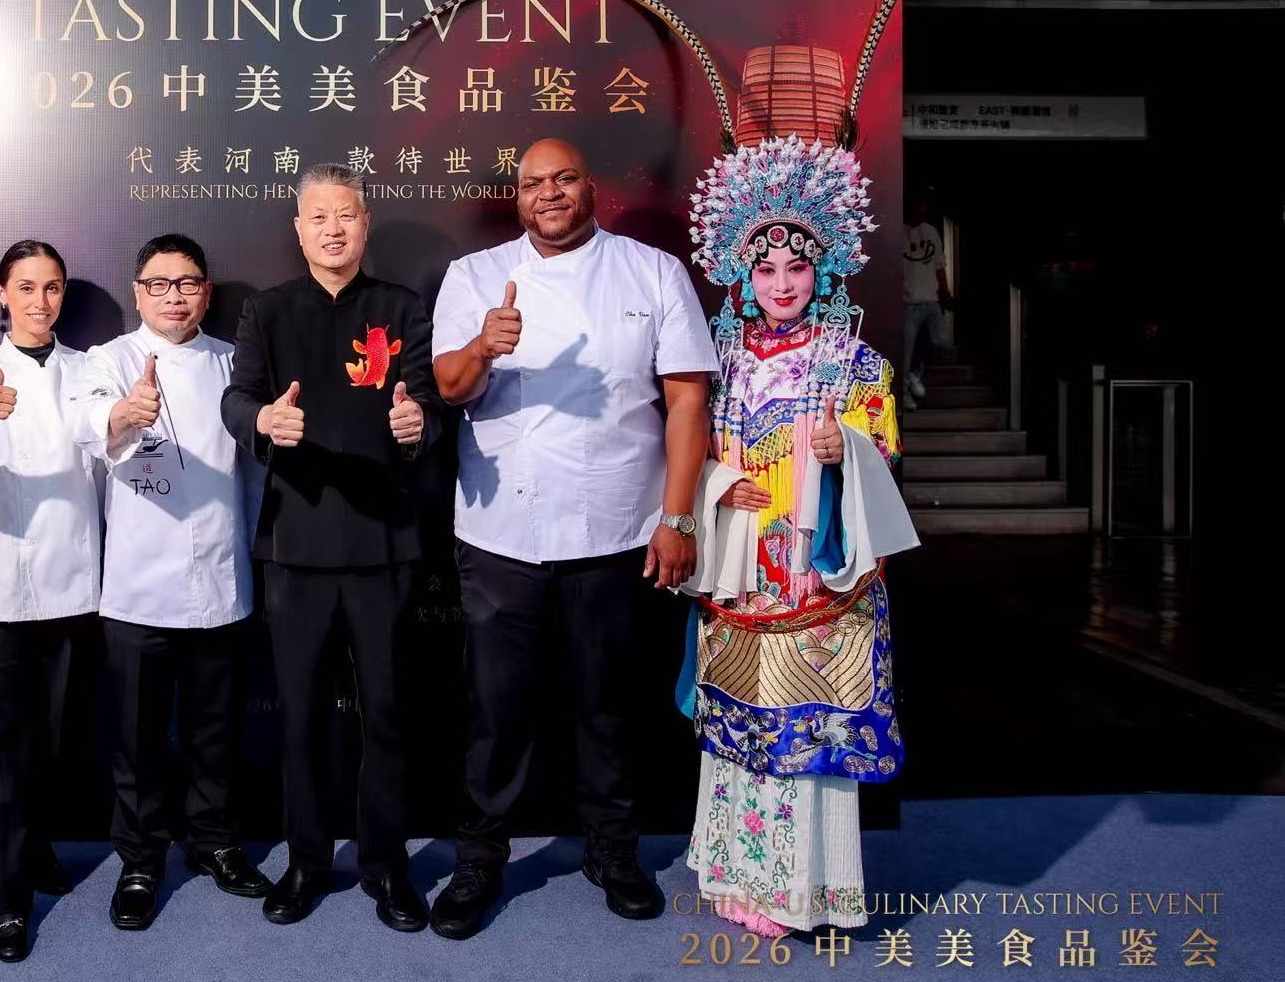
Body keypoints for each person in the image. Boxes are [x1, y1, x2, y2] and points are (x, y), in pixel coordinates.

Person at [426, 138, 716, 940]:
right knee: (495, 710)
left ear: (591, 186)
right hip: (500, 534)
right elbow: (448, 386)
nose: (548, 193)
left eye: (563, 179)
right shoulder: (476, 275)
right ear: (516, 196)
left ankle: (612, 849)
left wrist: (678, 516)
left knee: (608, 703)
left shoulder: (652, 272)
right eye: (532, 183)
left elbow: (687, 400)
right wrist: (483, 346)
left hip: (618, 528)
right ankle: (479, 857)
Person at [679, 136, 920, 937]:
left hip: (817, 576)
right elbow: (684, 448)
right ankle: (734, 871)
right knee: (740, 722)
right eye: (766, 271)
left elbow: (883, 452)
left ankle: (802, 887)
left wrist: (845, 448)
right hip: (742, 570)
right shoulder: (717, 360)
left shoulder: (855, 362)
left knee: (806, 733)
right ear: (743, 277)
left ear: (825, 271)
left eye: (796, 268)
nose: (781, 285)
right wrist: (720, 481)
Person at [221, 162, 439, 932]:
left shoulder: (401, 307)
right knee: (301, 717)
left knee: (387, 714)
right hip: (296, 544)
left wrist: (416, 423)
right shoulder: (269, 310)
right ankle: (307, 862)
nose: (333, 228)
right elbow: (236, 397)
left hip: (383, 543)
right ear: (300, 228)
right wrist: (260, 421)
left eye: (346, 214)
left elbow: (428, 401)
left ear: (365, 223)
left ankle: (387, 865)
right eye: (319, 216)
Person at [68, 233, 270, 930]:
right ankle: (140, 859)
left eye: (187, 283)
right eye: (159, 284)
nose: (174, 296)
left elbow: (256, 469)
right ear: (138, 292)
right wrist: (122, 415)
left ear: (206, 293)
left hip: (220, 578)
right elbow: (88, 422)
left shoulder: (234, 362)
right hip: (137, 586)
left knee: (217, 731)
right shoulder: (110, 359)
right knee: (138, 738)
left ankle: (216, 843)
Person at [0, 239, 104, 964]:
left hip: (74, 579)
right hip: (0, 588)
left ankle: (33, 850)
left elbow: (112, 452)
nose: (40, 301)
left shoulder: (91, 370)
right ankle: (2, 902)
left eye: (53, 287)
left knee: (54, 741)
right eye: (26, 287)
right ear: (2, 292)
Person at [901, 193, 950, 406]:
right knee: (906, 351)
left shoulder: (930, 231)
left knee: (938, 345)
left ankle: (915, 373)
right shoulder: (898, 231)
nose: (921, 216)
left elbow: (939, 265)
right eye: (917, 212)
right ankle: (904, 390)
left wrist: (945, 293)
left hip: (931, 300)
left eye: (924, 212)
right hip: (908, 303)